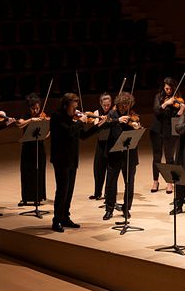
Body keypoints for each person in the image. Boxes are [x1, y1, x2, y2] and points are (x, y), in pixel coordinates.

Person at [49, 93, 104, 232]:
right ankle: (56, 220)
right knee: (62, 190)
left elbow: (83, 136)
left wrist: (99, 126)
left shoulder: (71, 118)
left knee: (70, 191)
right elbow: (67, 132)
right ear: (65, 105)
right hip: (61, 159)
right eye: (73, 108)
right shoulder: (57, 117)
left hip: (72, 159)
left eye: (76, 108)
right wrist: (80, 122)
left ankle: (65, 217)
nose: (76, 111)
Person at [102, 92, 142, 220]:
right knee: (110, 183)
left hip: (130, 155)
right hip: (114, 154)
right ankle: (109, 209)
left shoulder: (132, 115)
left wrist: (137, 127)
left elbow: (137, 132)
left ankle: (126, 208)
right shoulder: (112, 114)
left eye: (127, 106)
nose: (125, 109)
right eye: (123, 106)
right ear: (118, 104)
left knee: (129, 183)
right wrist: (117, 121)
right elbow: (104, 124)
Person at [150, 78, 184, 194]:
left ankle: (170, 182)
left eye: (170, 89)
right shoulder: (158, 97)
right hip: (157, 130)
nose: (168, 91)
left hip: (170, 130)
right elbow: (156, 111)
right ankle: (155, 181)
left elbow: (177, 117)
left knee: (169, 157)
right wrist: (165, 103)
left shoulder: (177, 99)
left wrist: (181, 110)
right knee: (157, 157)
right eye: (166, 88)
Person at [16, 93, 49, 206]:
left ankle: (38, 196)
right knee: (26, 172)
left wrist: (45, 134)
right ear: (29, 108)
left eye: (37, 108)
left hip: (39, 147)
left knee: (38, 172)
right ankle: (26, 197)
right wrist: (31, 120)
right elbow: (19, 124)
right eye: (33, 108)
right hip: (27, 147)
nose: (35, 111)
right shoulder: (26, 115)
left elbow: (48, 130)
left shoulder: (42, 115)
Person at [89, 93, 114, 200]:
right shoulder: (96, 113)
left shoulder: (113, 113)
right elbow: (96, 128)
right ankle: (97, 192)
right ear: (101, 103)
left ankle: (109, 193)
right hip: (101, 144)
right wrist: (103, 120)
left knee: (111, 169)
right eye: (105, 105)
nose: (107, 107)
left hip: (111, 144)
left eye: (108, 105)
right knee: (98, 168)